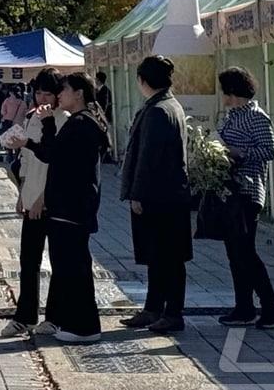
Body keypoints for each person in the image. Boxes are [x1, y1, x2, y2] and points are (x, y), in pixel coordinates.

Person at [12, 72, 109, 343]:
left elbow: (57, 157)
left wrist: (45, 129)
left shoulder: (81, 123)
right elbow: (51, 152)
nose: (58, 96)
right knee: (68, 266)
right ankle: (75, 323)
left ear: (78, 93)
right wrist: (31, 141)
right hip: (67, 207)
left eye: (62, 91)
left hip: (72, 206)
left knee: (73, 268)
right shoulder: (78, 122)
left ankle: (82, 326)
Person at [119, 55, 191, 334]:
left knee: (167, 257)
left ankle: (172, 312)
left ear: (143, 80)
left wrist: (138, 193)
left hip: (160, 196)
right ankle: (154, 308)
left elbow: (149, 157)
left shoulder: (159, 110)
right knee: (158, 257)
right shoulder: (167, 105)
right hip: (168, 194)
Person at [215, 67, 274, 330]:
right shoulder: (231, 116)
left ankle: (270, 307)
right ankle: (244, 306)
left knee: (246, 252)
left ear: (233, 92)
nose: (223, 97)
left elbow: (270, 150)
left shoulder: (255, 117)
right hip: (230, 191)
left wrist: (238, 152)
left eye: (225, 92)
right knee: (235, 253)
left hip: (248, 190)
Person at [0, 69, 65, 338]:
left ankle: (54, 316)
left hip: (51, 200)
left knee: (58, 261)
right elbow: (26, 160)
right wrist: (22, 193)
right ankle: (24, 315)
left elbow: (56, 164)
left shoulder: (62, 119)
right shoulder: (30, 116)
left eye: (48, 93)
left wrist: (42, 197)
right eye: (38, 92)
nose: (42, 98)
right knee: (28, 260)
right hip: (30, 196)